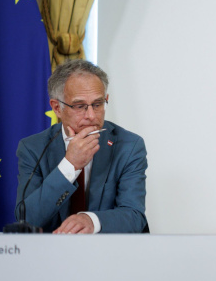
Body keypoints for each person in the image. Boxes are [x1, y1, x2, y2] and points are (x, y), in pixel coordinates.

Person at [15, 59, 147, 233]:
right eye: (80, 106)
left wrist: (92, 220)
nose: (91, 115)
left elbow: (135, 217)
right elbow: (26, 219)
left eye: (97, 104)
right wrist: (70, 165)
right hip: (51, 254)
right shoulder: (33, 148)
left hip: (106, 254)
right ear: (57, 108)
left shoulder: (129, 146)